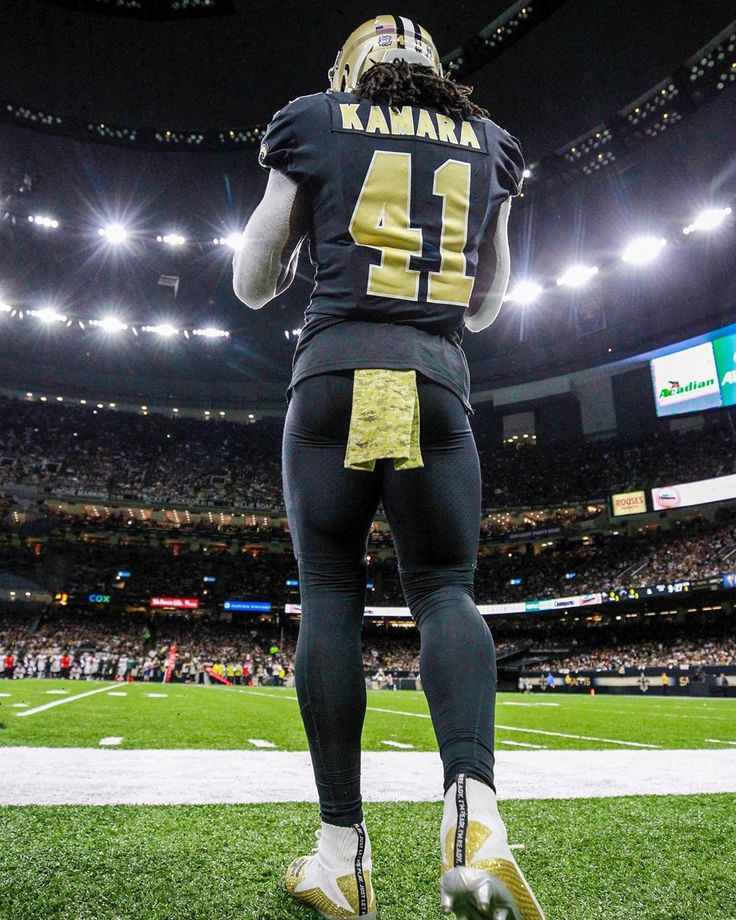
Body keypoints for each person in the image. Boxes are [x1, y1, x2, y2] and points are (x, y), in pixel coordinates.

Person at [233, 14, 544, 920]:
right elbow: (487, 306)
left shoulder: (313, 120)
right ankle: (475, 815)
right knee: (445, 591)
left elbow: (253, 280)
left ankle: (342, 855)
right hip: (434, 383)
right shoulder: (491, 145)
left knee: (329, 589)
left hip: (336, 373)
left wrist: (303, 249)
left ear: (352, 69)